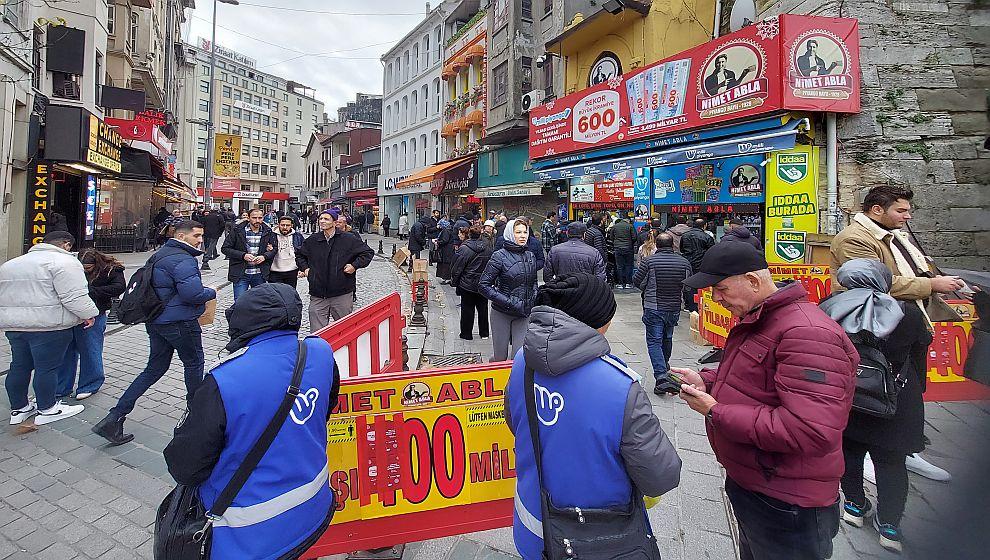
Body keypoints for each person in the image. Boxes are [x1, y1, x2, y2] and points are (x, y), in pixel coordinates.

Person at [671, 242, 857, 560]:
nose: (715, 298)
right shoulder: (763, 320)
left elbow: (809, 430)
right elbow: (757, 384)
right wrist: (708, 382)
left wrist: (716, 412)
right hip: (757, 485)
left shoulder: (807, 334)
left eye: (721, 288)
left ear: (754, 281)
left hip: (788, 501)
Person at [505, 273, 682, 560]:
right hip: (595, 541)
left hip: (530, 524)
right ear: (600, 322)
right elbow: (661, 476)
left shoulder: (523, 361)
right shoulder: (620, 386)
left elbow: (514, 420)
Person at [163, 283, 338, 560]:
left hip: (249, 534)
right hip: (314, 506)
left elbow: (186, 468)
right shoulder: (320, 352)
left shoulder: (225, 380)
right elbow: (326, 406)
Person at [830, 184, 964, 481]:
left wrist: (947, 282)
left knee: (908, 391)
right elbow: (872, 281)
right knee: (872, 387)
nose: (908, 216)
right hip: (872, 327)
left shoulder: (895, 236)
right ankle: (865, 451)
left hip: (907, 324)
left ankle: (904, 449)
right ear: (877, 210)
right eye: (901, 210)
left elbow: (918, 269)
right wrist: (932, 286)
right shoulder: (855, 238)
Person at [820, 259, 930, 554]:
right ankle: (890, 525)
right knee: (892, 463)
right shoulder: (905, 313)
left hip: (847, 395)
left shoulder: (829, 306)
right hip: (894, 398)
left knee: (849, 452)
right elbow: (920, 355)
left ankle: (854, 505)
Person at [94, 221, 217, 444]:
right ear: (181, 236)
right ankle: (198, 417)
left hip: (157, 320)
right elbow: (192, 294)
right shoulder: (183, 259)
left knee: (154, 369)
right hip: (180, 322)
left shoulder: (160, 255)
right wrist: (210, 291)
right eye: (197, 235)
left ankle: (115, 416)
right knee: (194, 363)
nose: (200, 240)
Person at [1, 231, 98, 426]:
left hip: (15, 325)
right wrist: (89, 314)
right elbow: (73, 296)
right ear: (66, 245)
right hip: (49, 326)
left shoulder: (11, 264)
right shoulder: (65, 263)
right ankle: (48, 408)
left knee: (19, 366)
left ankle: (19, 408)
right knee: (48, 368)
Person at [56, 248, 126, 400]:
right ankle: (62, 386)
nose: (85, 271)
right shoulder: (70, 267)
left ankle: (90, 384)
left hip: (95, 311)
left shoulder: (111, 269)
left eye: (88, 268)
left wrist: (92, 291)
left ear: (97, 263)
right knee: (66, 351)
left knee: (90, 349)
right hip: (71, 312)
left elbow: (119, 287)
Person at [633, 233, 692, 396]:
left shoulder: (649, 261)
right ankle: (664, 370)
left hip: (653, 306)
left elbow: (637, 281)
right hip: (673, 307)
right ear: (672, 245)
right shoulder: (684, 262)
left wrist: (648, 289)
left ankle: (661, 377)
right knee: (667, 338)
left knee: (654, 341)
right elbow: (688, 286)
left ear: (657, 246)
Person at [297, 210, 375, 331]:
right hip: (318, 293)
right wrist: (306, 269)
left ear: (334, 222)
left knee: (345, 330)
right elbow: (300, 255)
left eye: (326, 219)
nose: (322, 221)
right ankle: (321, 350)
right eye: (321, 218)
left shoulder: (348, 239)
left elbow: (367, 252)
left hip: (341, 293)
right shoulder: (313, 240)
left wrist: (354, 265)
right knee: (317, 332)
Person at [480, 219, 539, 362]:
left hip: (523, 314)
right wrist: (508, 301)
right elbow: (484, 285)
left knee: (518, 358)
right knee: (500, 358)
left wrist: (533, 297)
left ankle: (513, 384)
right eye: (518, 232)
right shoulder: (499, 256)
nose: (523, 235)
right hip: (502, 313)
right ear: (510, 234)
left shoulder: (530, 255)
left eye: (525, 232)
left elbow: (534, 282)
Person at [222, 208, 277, 301]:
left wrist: (265, 256)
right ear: (248, 218)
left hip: (260, 273)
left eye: (260, 218)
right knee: (240, 302)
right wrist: (243, 255)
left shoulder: (268, 231)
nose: (257, 220)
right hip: (241, 273)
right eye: (254, 218)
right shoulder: (237, 230)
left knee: (260, 302)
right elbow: (225, 249)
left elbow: (275, 249)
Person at [451, 226, 492, 341]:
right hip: (482, 283)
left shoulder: (464, 249)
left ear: (469, 235)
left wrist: (455, 281)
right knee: (483, 309)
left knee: (467, 309)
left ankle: (466, 333)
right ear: (480, 236)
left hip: (467, 283)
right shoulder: (487, 248)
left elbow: (457, 267)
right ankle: (484, 333)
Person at [679, 218, 714, 312]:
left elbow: (682, 249)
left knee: (688, 284)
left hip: (688, 262)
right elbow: (712, 251)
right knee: (700, 284)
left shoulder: (685, 236)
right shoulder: (706, 237)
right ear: (704, 226)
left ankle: (689, 305)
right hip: (701, 263)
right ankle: (700, 303)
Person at [269, 216, 305, 290]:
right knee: (276, 296)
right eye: (282, 225)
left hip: (292, 271)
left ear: (291, 225)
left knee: (290, 294)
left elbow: (303, 253)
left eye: (287, 225)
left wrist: (302, 268)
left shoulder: (298, 236)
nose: (285, 227)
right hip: (274, 272)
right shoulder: (271, 235)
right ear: (278, 224)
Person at [610, 211, 636, 289]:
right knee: (628, 265)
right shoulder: (630, 226)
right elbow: (634, 237)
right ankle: (628, 283)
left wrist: (616, 243)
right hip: (628, 248)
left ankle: (620, 283)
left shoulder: (615, 226)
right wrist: (630, 243)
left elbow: (611, 237)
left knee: (619, 266)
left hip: (618, 248)